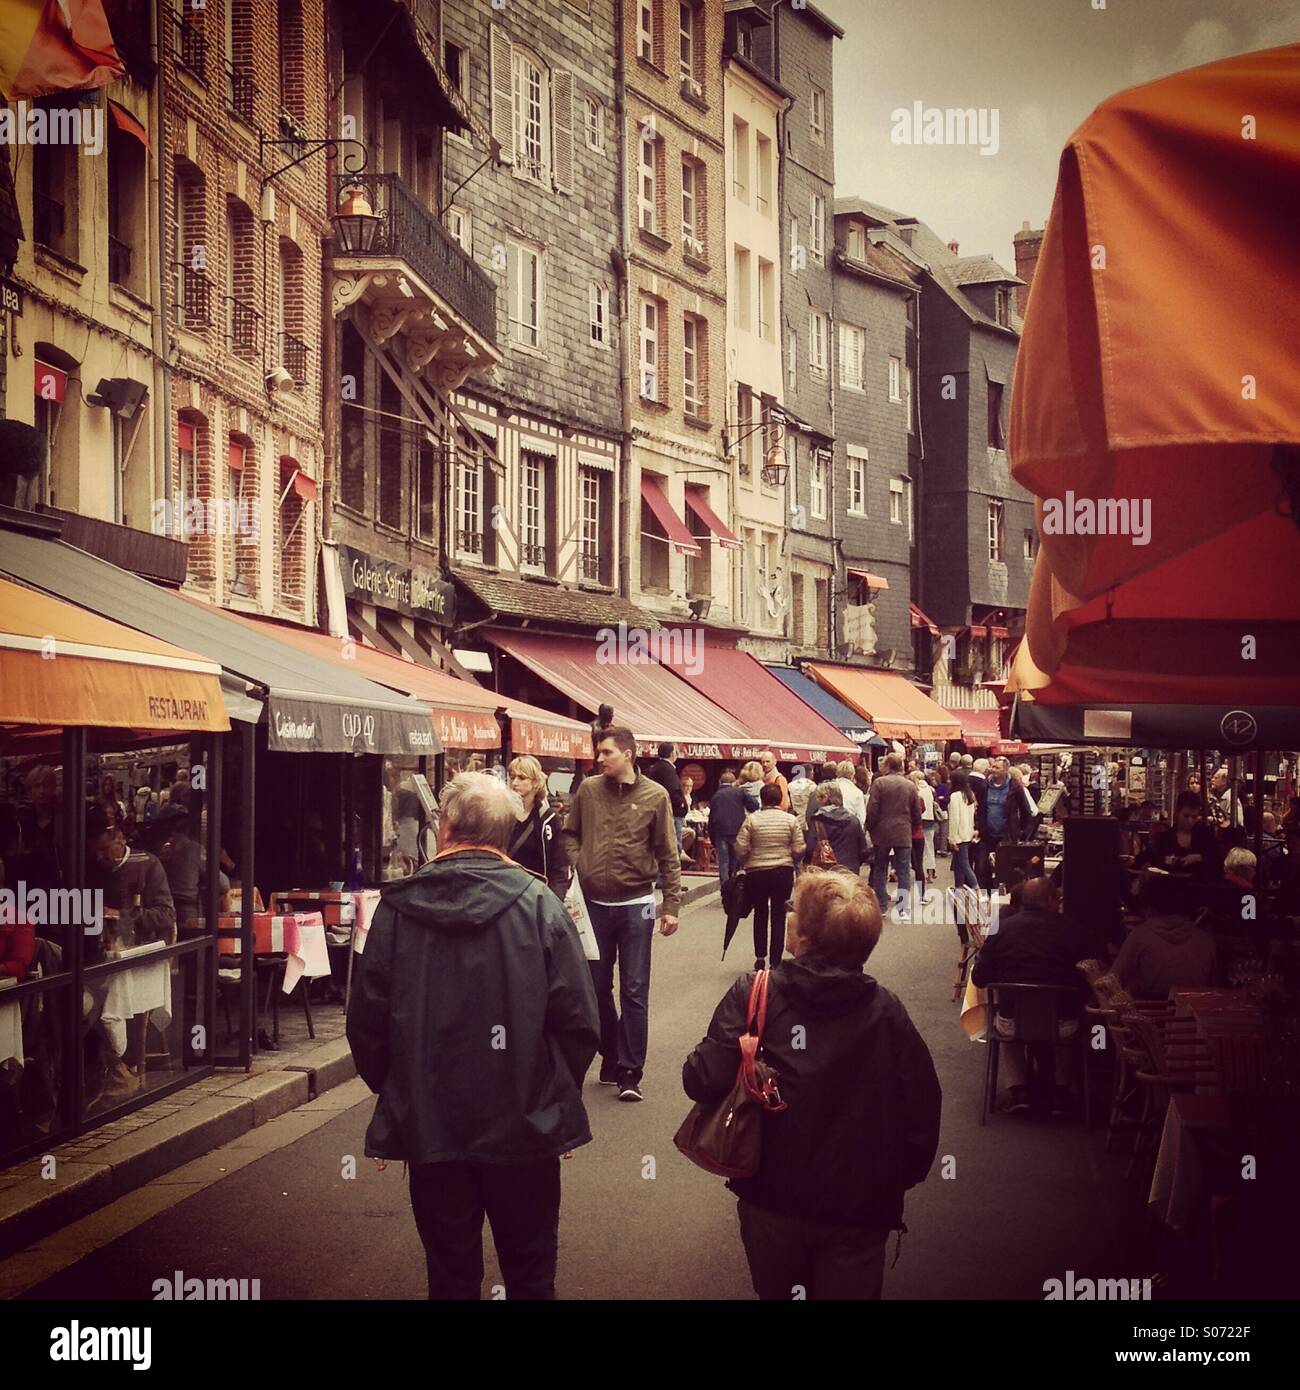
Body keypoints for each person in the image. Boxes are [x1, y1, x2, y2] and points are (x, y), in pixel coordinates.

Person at [347, 772, 600, 1301]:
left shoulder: (396, 909)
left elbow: (367, 1023)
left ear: (446, 828)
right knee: (531, 1272)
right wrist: (553, 1096)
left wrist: (402, 1091)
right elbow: (579, 1021)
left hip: (432, 1124)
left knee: (450, 1276)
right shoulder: (540, 905)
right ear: (504, 833)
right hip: (524, 1125)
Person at [682, 870, 941, 1300]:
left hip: (772, 1198)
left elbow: (702, 1079)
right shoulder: (886, 1012)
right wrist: (895, 1179)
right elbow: (922, 1109)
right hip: (860, 1209)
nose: (788, 912)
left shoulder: (756, 993)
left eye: (795, 910)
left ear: (805, 935)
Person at [562, 726, 680, 1102]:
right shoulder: (588, 790)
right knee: (595, 988)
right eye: (599, 753)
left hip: (636, 905)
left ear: (627, 754)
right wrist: (580, 861)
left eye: (606, 752)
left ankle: (630, 1071)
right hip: (594, 905)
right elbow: (570, 833)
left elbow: (668, 852)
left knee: (634, 988)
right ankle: (611, 1053)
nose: (599, 759)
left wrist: (671, 906)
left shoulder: (655, 795)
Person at [971, 877, 1087, 1116]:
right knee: (1075, 1021)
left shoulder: (1002, 929)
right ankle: (1062, 1090)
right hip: (1062, 1023)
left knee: (1005, 1027)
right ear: (1050, 901)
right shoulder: (1072, 929)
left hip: (1013, 1021)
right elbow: (1087, 974)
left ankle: (1018, 1089)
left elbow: (980, 978)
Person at [86, 805, 177, 950]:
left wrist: (120, 916)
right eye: (95, 852)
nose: (99, 857)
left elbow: (167, 915)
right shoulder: (91, 868)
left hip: (139, 950)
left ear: (120, 839)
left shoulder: (148, 864)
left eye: (104, 850)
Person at [736, 782, 805, 970]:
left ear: (762, 799)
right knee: (779, 914)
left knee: (760, 913)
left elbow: (741, 846)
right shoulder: (790, 820)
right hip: (783, 870)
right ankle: (775, 961)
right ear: (780, 799)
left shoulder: (752, 820)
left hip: (757, 872)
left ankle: (760, 957)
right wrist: (791, 858)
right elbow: (799, 847)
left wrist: (748, 860)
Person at [1113, 874, 1217, 999]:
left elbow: (1113, 981)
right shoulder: (1205, 940)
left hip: (1152, 1010)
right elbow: (1215, 990)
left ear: (1149, 905)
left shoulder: (1140, 936)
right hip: (1194, 1010)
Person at [506, 755, 571, 899]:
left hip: (536, 896)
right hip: (505, 893)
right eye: (512, 777)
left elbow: (559, 866)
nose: (514, 783)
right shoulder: (501, 815)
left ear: (535, 782)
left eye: (521, 778)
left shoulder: (548, 818)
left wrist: (553, 900)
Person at [866, 753, 921, 919]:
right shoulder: (910, 785)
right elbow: (916, 812)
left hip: (881, 832)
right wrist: (911, 827)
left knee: (880, 869)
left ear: (888, 765)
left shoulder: (879, 783)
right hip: (903, 832)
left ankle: (882, 906)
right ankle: (903, 909)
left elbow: (872, 809)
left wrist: (871, 827)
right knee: (904, 871)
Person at [1141, 792, 1222, 884]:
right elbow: (1151, 860)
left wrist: (1200, 857)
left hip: (1200, 887)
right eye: (1186, 816)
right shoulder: (1165, 838)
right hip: (1171, 886)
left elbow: (1218, 860)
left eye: (1194, 817)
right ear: (1177, 813)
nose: (1190, 821)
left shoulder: (1206, 835)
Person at [975, 757, 1025, 890]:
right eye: (993, 767)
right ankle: (986, 894)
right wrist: (978, 827)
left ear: (1006, 770)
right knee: (982, 867)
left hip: (1006, 835)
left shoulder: (1015, 787)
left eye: (997, 768)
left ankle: (1001, 894)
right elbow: (980, 808)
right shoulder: (985, 785)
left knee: (1003, 868)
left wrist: (1020, 831)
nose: (994, 770)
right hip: (987, 835)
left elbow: (1025, 809)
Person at [805, 783, 868, 875]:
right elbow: (863, 849)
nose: (817, 801)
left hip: (826, 872)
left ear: (825, 798)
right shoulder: (854, 820)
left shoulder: (818, 822)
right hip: (850, 871)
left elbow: (810, 849)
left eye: (819, 797)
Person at [644, 742, 688, 852]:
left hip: (658, 811)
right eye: (676, 751)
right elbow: (672, 790)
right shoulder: (667, 770)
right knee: (674, 846)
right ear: (672, 753)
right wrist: (681, 803)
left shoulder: (656, 767)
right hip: (672, 813)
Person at [708, 770, 749, 887]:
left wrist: (712, 836)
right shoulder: (739, 792)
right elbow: (754, 805)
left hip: (720, 832)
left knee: (723, 861)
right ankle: (733, 883)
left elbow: (711, 818)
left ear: (720, 781)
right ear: (734, 782)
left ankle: (725, 887)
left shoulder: (716, 796)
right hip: (737, 831)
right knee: (734, 860)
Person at [947, 770, 980, 893]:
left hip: (958, 835)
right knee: (959, 865)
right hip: (967, 833)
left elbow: (954, 819)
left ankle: (977, 888)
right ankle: (959, 888)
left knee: (964, 864)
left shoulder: (955, 796)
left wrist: (952, 838)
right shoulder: (970, 795)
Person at [909, 771, 937, 886]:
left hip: (918, 821)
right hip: (930, 819)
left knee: (916, 852)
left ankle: (919, 871)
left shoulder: (914, 790)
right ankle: (930, 873)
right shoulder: (931, 789)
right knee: (930, 848)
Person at [834, 760, 867, 828]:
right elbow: (861, 818)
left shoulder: (830, 787)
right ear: (852, 774)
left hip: (831, 827)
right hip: (849, 827)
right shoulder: (857, 792)